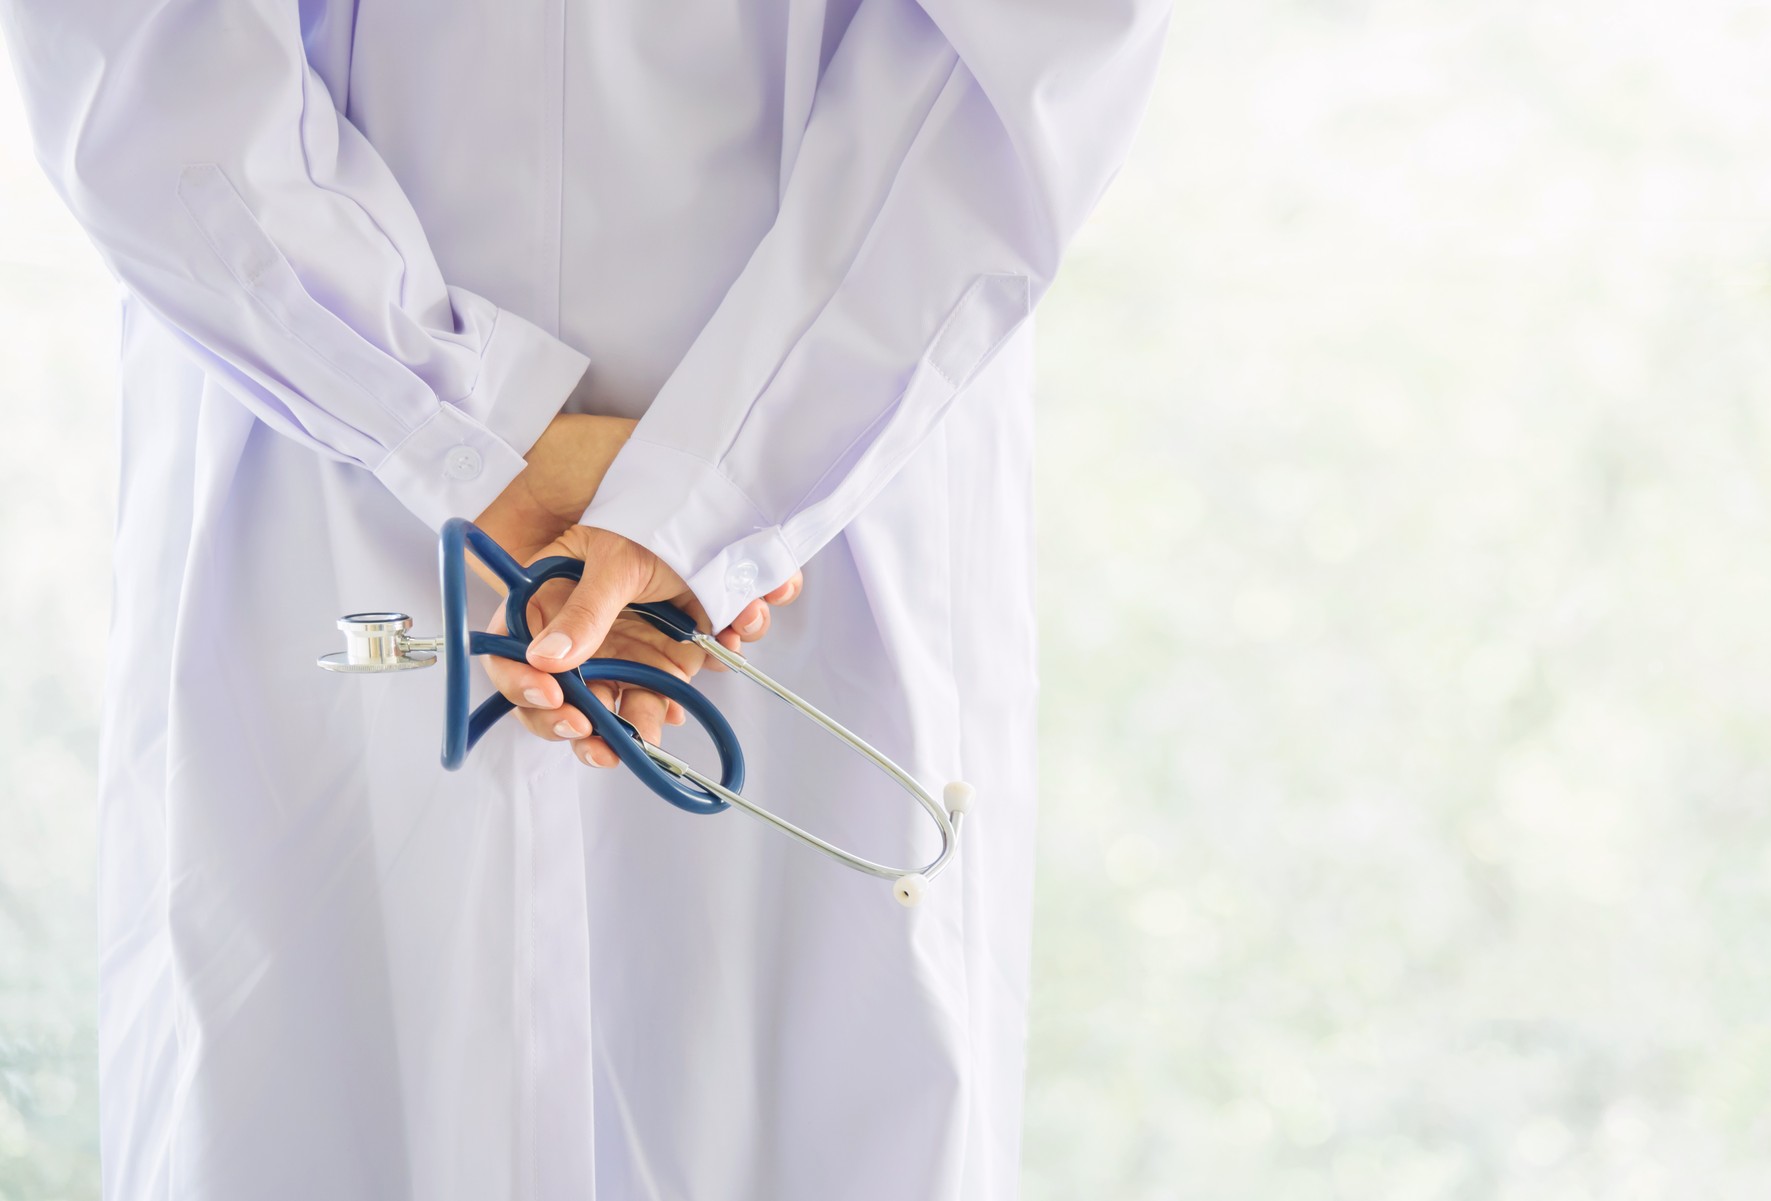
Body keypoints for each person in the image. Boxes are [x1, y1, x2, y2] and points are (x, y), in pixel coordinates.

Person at [0, 0, 1168, 1196]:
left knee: (819, 1062)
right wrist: (490, 436)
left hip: (809, 484)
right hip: (330, 444)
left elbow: (1036, 53)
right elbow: (134, 42)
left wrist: (679, 476)